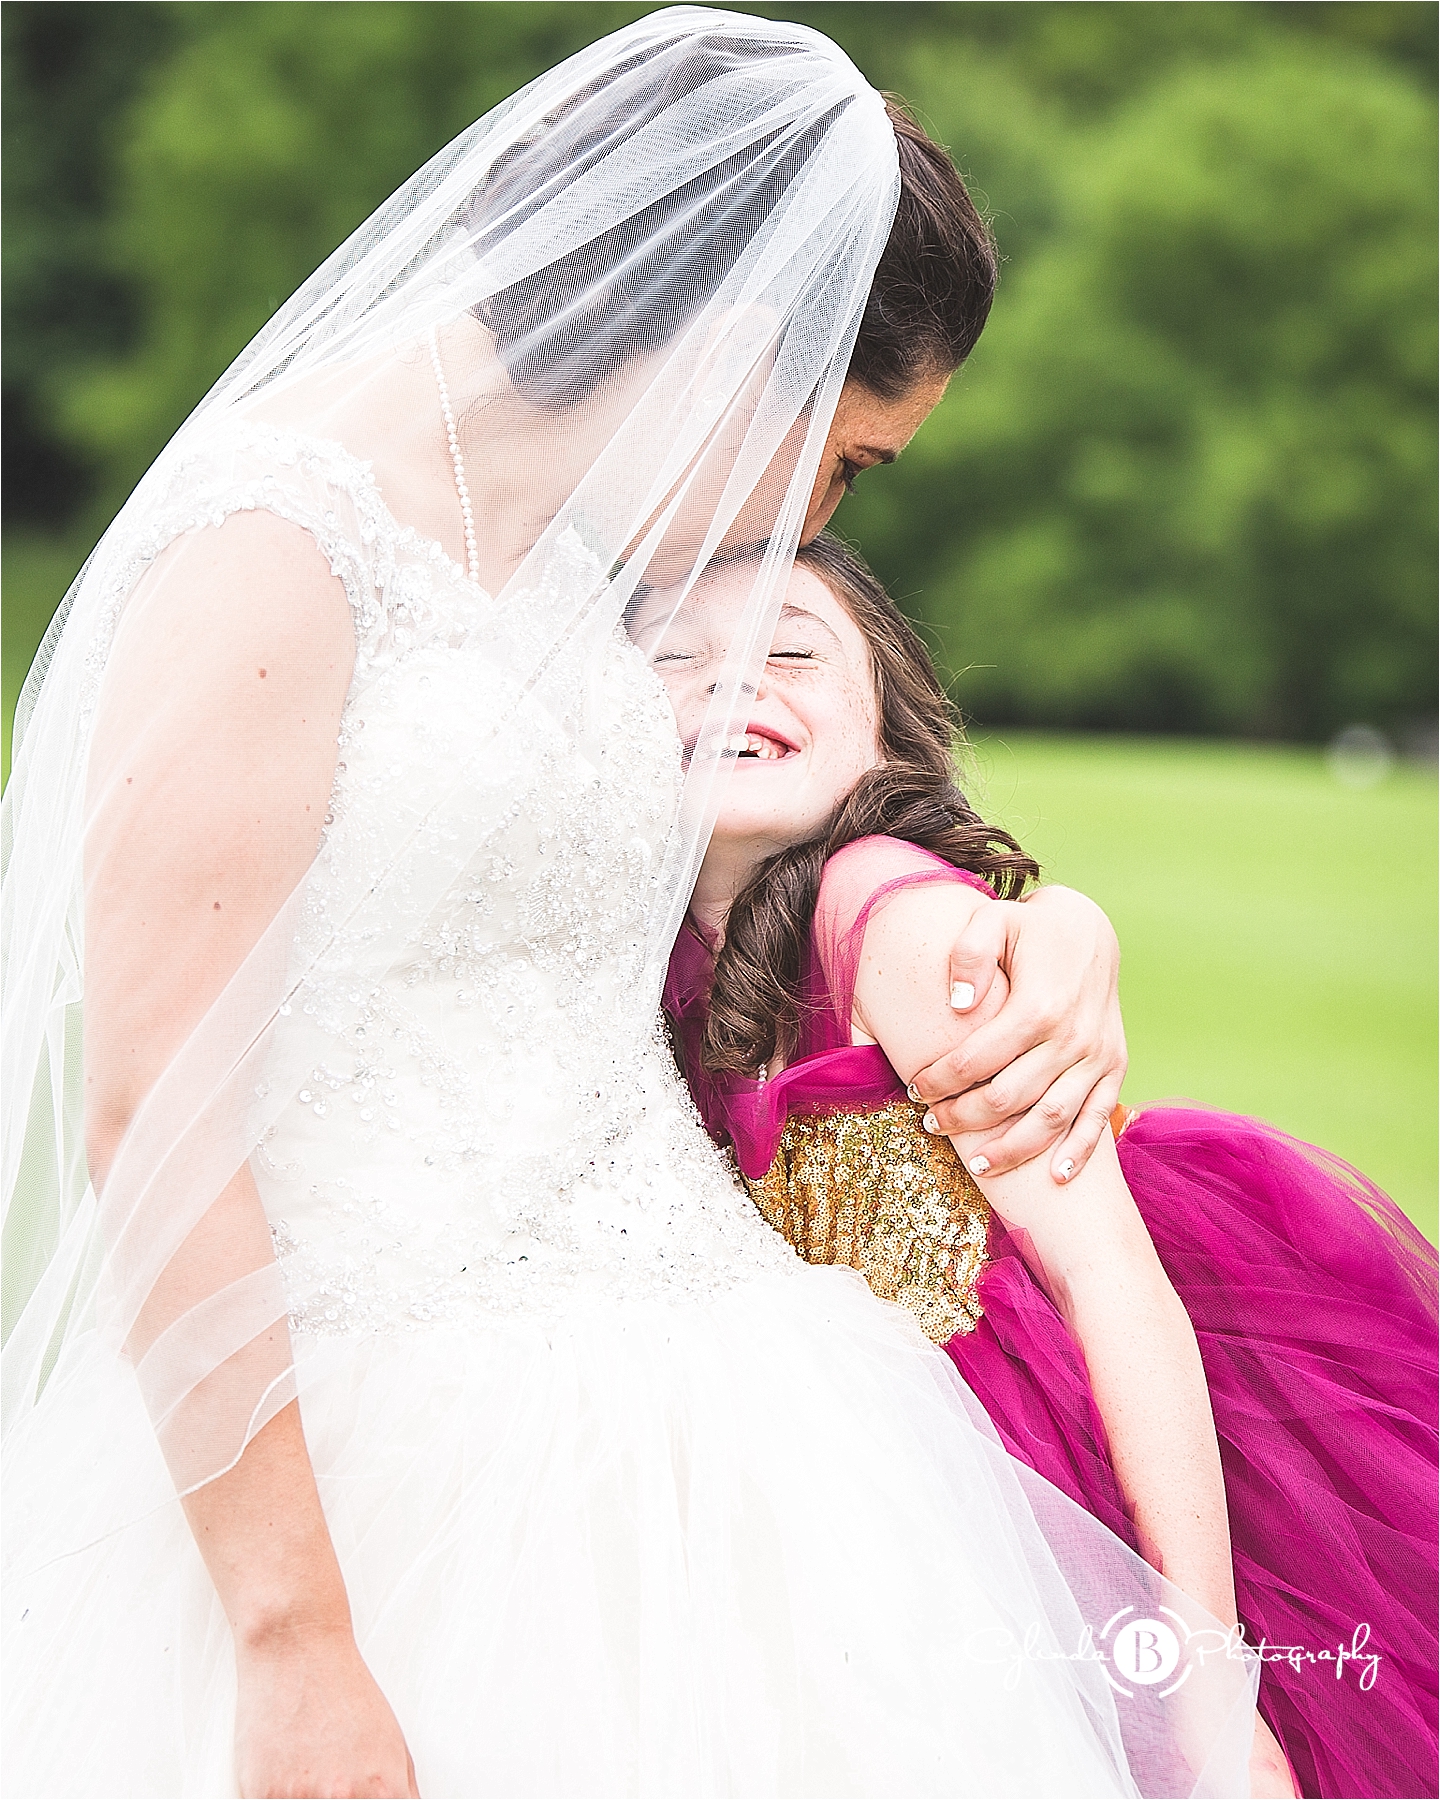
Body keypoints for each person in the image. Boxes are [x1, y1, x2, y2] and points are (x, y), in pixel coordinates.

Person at [2, 12, 1261, 1796]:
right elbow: (155, 1116)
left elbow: (767, 864)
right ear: (746, 346)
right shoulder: (270, 553)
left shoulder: (586, 556)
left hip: (736, 1408)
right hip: (378, 1465)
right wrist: (298, 1647)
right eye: (847, 460)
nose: (814, 526)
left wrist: (1055, 933)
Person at [657, 532, 1440, 1800]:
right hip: (854, 1484)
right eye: (674, 660)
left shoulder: (892, 918)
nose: (733, 681)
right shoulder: (652, 961)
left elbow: (1110, 1281)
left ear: (890, 732)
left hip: (1045, 1465)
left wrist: (1205, 1686)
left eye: (791, 652)